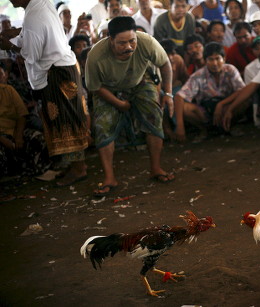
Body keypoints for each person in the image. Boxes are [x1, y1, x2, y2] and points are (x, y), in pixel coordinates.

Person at [1, 0, 89, 186]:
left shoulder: (34, 15)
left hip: (58, 73)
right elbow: (40, 31)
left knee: (67, 121)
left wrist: (9, 46)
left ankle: (79, 169)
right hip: (62, 68)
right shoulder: (41, 4)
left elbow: (31, 54)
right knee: (64, 120)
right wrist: (18, 32)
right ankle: (74, 165)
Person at [85, 16, 174, 196]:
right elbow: (95, 87)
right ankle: (110, 178)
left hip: (140, 81)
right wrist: (119, 103)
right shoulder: (96, 55)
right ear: (111, 40)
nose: (128, 47)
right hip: (107, 89)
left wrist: (169, 94)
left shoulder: (147, 42)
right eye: (122, 43)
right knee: (103, 125)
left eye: (132, 41)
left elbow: (165, 64)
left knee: (154, 116)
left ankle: (156, 168)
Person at [173, 42, 245, 142]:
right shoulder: (198, 75)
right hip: (206, 111)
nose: (215, 63)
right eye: (211, 59)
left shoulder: (230, 70)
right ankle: (205, 130)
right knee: (185, 108)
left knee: (245, 99)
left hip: (227, 107)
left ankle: (232, 126)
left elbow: (242, 90)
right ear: (205, 60)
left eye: (217, 59)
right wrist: (179, 125)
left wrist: (221, 105)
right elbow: (179, 96)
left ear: (224, 59)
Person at [0, 64, 51, 178]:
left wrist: (18, 136)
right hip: (1, 136)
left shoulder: (8, 90)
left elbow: (22, 114)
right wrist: (4, 140)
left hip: (14, 130)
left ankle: (37, 170)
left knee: (39, 138)